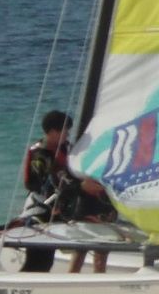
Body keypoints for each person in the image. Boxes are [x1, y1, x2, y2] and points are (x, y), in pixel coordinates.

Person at [20, 110, 114, 274]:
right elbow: (46, 186)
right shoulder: (39, 154)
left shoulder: (65, 148)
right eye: (65, 130)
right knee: (38, 261)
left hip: (57, 211)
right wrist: (80, 187)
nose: (67, 134)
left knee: (46, 261)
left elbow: (74, 174)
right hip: (40, 211)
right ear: (52, 132)